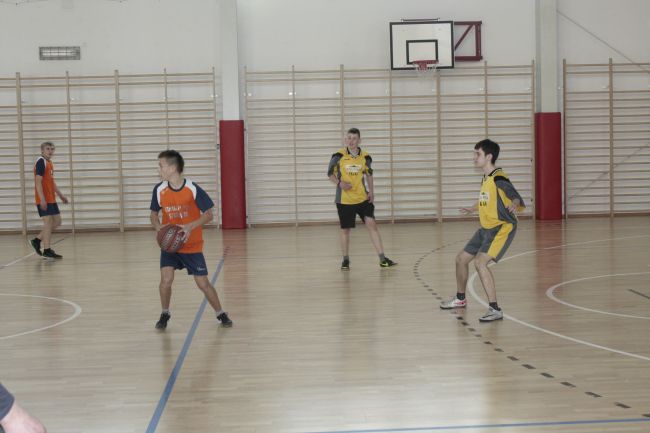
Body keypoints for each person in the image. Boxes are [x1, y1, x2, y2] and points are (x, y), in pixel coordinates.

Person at [440, 139, 525, 321]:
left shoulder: (499, 178)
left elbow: (515, 196)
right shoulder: (486, 177)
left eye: (477, 154)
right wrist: (473, 208)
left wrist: (514, 203)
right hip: (485, 228)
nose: (474, 157)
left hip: (501, 227)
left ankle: (495, 309)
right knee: (461, 259)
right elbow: (485, 199)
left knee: (480, 263)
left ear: (488, 156)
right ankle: (460, 299)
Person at [150, 150, 232, 330]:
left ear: (172, 168)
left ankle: (220, 313)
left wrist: (189, 227)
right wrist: (158, 227)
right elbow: (153, 214)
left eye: (161, 166)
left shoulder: (192, 188)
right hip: (170, 245)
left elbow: (209, 215)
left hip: (191, 245)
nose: (158, 169)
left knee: (203, 283)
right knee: (166, 280)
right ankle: (165, 313)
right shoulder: (159, 190)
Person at [327, 128, 397, 270]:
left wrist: (371, 191)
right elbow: (330, 174)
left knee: (372, 224)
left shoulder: (365, 157)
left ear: (359, 140)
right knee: (345, 230)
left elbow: (369, 174)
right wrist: (340, 183)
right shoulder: (338, 156)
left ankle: (382, 259)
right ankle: (345, 261)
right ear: (345, 140)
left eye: (354, 138)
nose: (351, 141)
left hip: (362, 198)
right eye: (349, 138)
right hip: (344, 200)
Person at [29, 141, 68, 259]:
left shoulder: (49, 163)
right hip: (43, 198)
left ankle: (36, 240)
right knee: (48, 222)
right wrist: (42, 199)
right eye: (48, 149)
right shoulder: (41, 162)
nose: (50, 151)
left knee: (57, 221)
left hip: (51, 198)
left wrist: (60, 195)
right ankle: (47, 250)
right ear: (42, 150)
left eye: (52, 149)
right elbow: (38, 181)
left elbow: (51, 182)